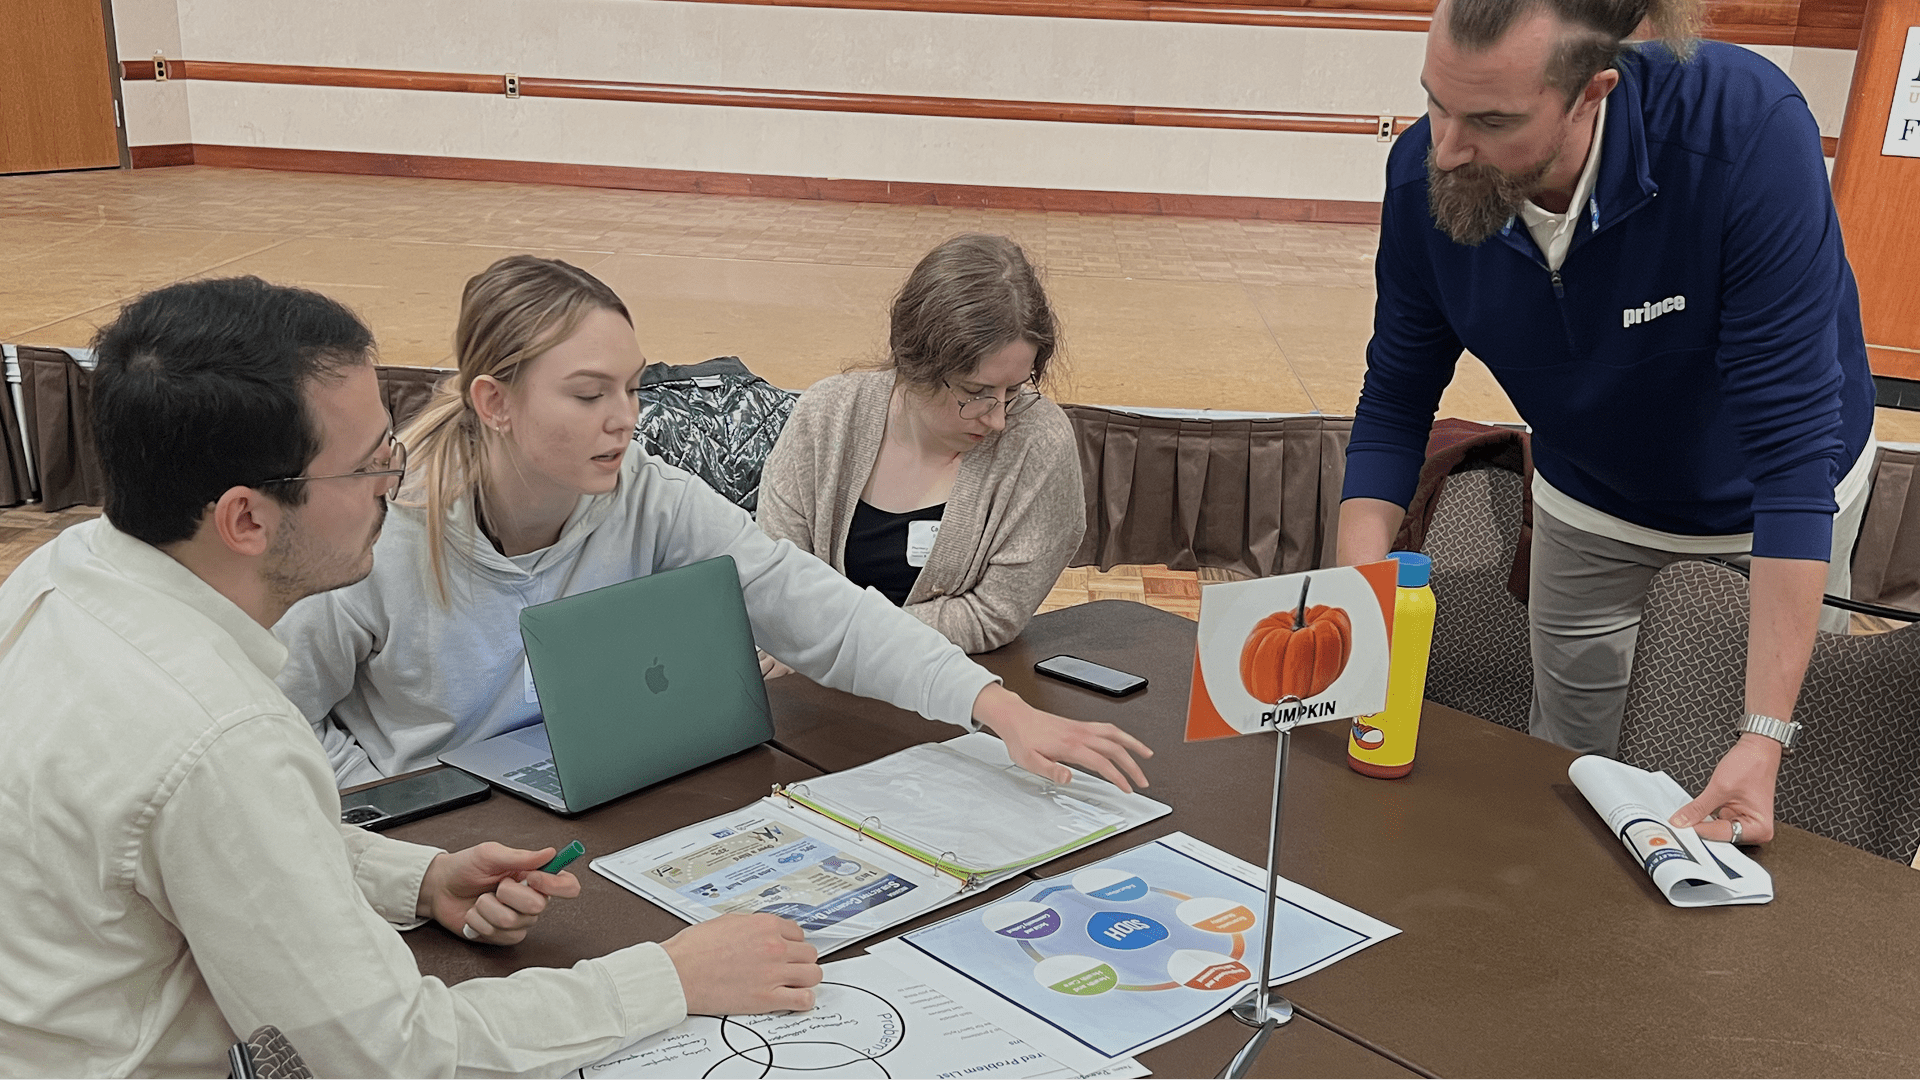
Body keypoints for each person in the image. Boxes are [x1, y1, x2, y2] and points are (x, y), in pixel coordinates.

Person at [0, 277, 821, 1076]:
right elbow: (386, 1055)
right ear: (246, 518)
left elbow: (213, 856)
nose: (397, 486)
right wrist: (669, 978)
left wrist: (417, 878)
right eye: (367, 468)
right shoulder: (223, 738)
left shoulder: (67, 569)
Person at [273, 255, 1148, 795]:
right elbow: (271, 728)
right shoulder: (375, 532)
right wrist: (403, 816)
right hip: (438, 849)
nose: (626, 419)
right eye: (589, 395)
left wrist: (991, 706)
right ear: (494, 403)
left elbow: (811, 606)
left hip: (586, 815)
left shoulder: (640, 487)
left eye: (632, 387)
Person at [1339, 0, 1875, 847]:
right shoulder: (1426, 177)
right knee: (1562, 767)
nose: (1445, 147)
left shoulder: (1744, 130)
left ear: (1594, 93)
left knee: (1758, 774)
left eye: (1491, 119)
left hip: (1775, 498)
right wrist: (1352, 618)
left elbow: (1789, 453)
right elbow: (1395, 402)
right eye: (1435, 101)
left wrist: (1765, 736)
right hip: (1588, 494)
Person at [757, 233, 1084, 655]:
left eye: (1015, 389)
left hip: (945, 691)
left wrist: (840, 642)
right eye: (976, 391)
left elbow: (992, 614)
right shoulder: (825, 416)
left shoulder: (1040, 443)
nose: (999, 418)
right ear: (915, 364)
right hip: (810, 676)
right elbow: (776, 578)